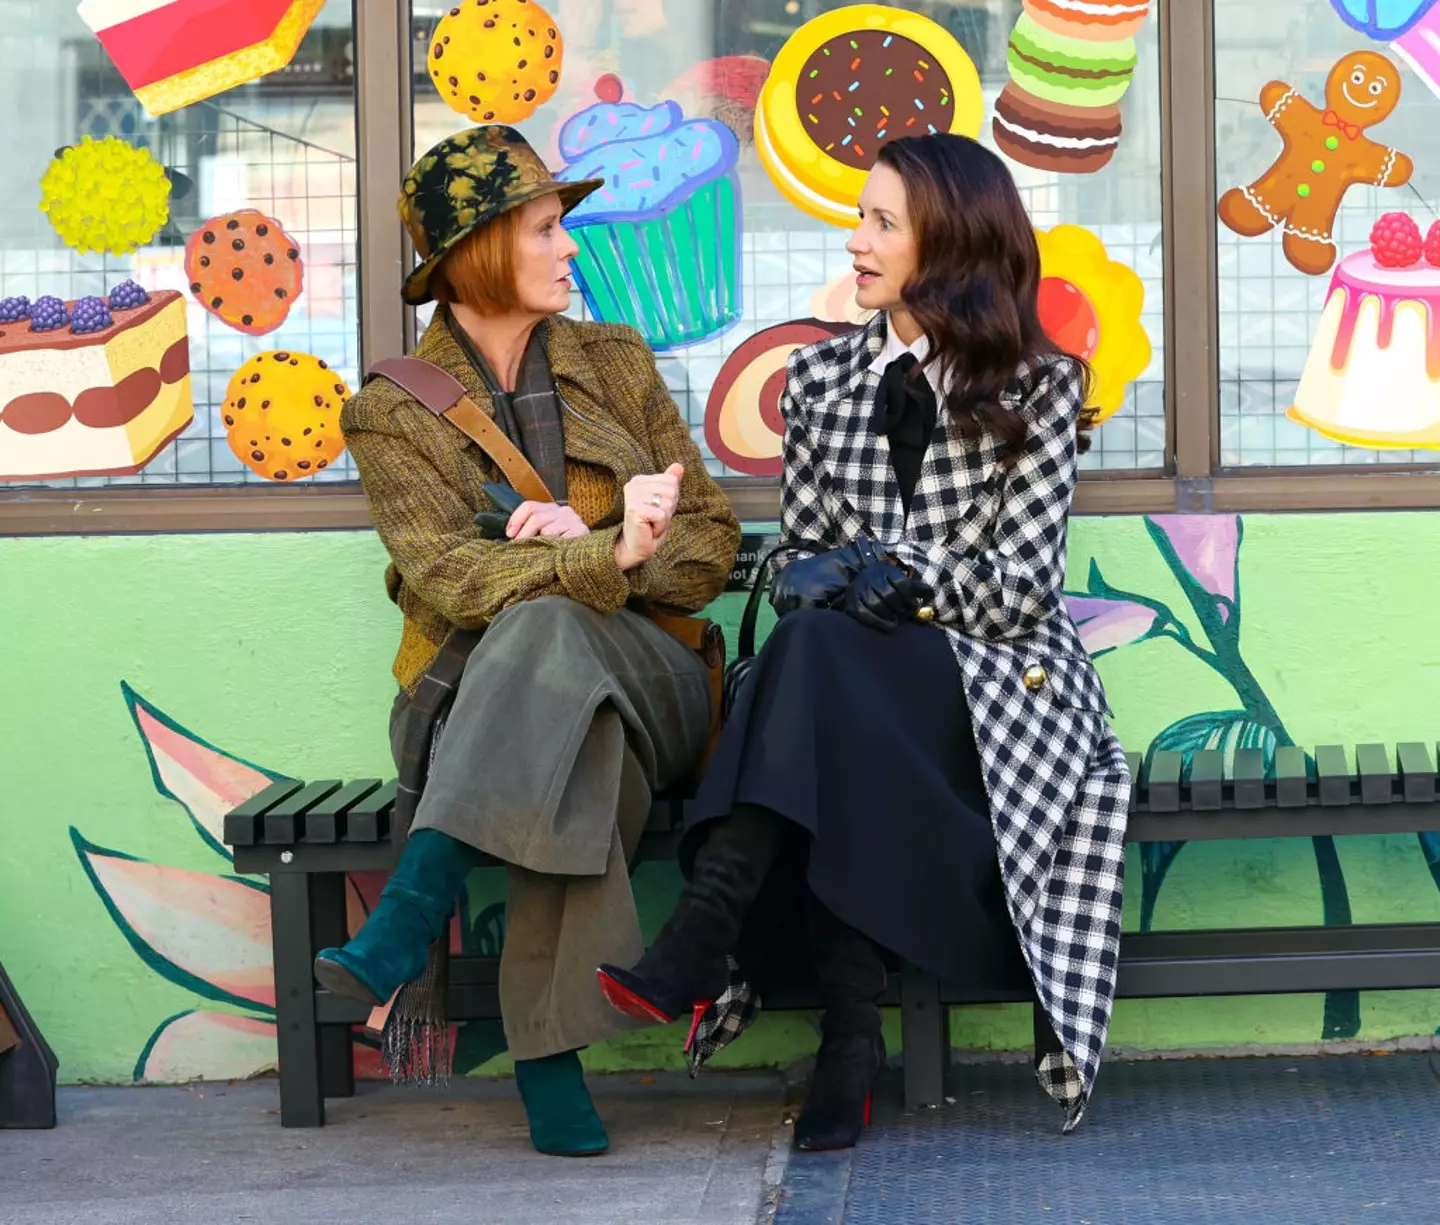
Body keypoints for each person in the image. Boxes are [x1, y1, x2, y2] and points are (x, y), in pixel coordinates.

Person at [598, 133, 1131, 1150]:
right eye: (862, 218)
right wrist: (825, 576)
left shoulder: (1042, 384)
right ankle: (847, 1038)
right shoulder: (817, 378)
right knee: (820, 659)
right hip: (846, 697)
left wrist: (902, 575)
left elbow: (1023, 589)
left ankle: (713, 938)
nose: (858, 241)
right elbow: (802, 553)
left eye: (884, 221)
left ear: (955, 242)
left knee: (817, 663)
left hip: (990, 694)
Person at [315, 126, 740, 1157]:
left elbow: (714, 540)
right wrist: (606, 554)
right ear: (484, 248)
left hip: (661, 679)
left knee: (553, 628)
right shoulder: (389, 416)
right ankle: (550, 1059)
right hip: (500, 708)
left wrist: (619, 554)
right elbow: (450, 578)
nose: (571, 249)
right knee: (563, 704)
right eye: (548, 229)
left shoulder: (617, 362)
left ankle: (410, 913)